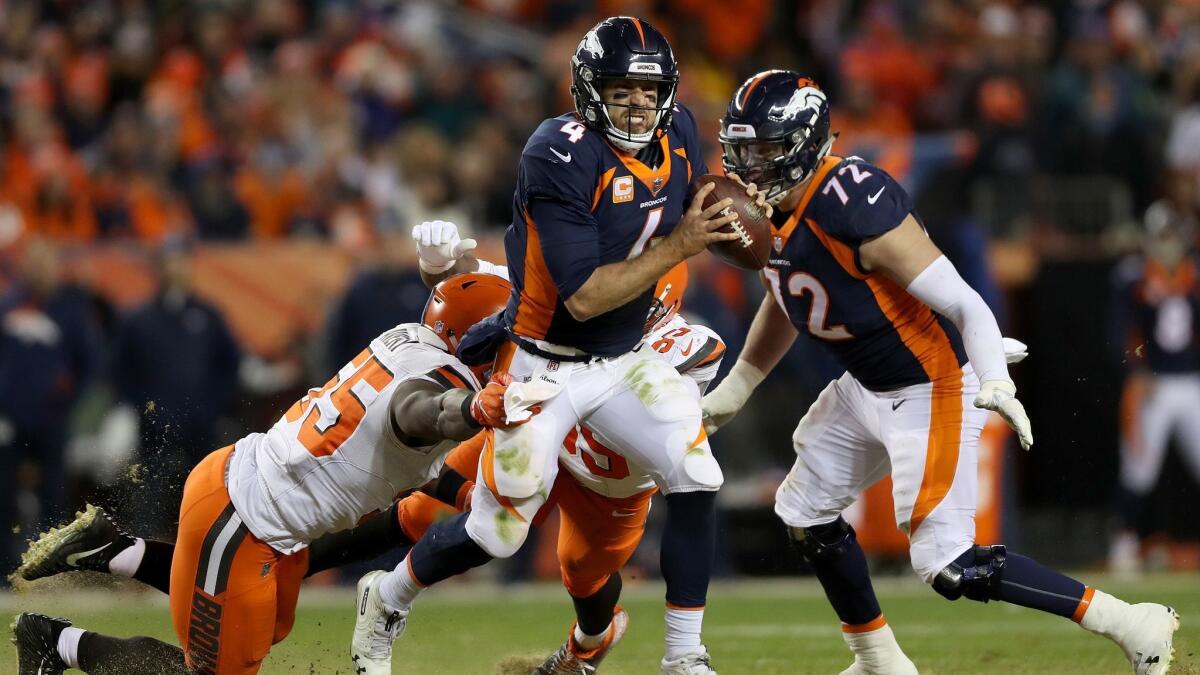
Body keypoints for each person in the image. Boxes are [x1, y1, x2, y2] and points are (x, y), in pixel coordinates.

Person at [701, 70, 1179, 675]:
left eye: (767, 151)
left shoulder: (853, 200)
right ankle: (879, 661)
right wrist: (741, 383)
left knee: (948, 564)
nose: (751, 167)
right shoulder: (770, 211)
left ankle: (1131, 622)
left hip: (930, 383)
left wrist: (992, 378)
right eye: (742, 150)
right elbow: (788, 290)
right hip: (864, 383)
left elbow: (964, 302)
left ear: (806, 141)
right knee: (805, 512)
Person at [349, 17, 748, 675]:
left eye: (649, 91)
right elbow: (585, 297)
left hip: (623, 358)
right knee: (495, 532)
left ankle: (683, 656)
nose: (638, 104)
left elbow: (694, 210)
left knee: (698, 473)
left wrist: (742, 228)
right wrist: (684, 245)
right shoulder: (559, 151)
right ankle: (386, 597)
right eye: (621, 89)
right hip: (545, 362)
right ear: (590, 90)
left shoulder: (677, 135)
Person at [13, 273, 520, 675]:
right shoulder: (440, 386)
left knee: (261, 619)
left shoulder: (412, 338)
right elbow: (416, 411)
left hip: (258, 499)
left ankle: (116, 551)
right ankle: (55, 642)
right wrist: (471, 407)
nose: (512, 357)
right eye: (505, 343)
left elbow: (406, 449)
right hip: (245, 520)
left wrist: (465, 489)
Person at [1108, 200, 1200, 575]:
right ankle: (1124, 542)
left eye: (1172, 235)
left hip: (1193, 383)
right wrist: (1138, 370)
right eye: (1162, 235)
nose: (1168, 243)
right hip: (1155, 386)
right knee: (1139, 470)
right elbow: (1119, 333)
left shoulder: (1193, 275)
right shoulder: (1133, 276)